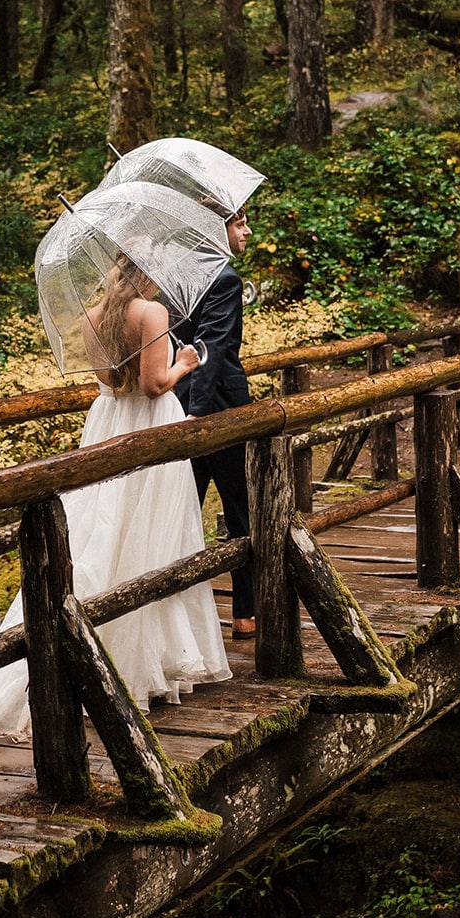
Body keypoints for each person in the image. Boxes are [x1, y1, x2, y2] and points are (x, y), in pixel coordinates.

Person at [0, 259, 232, 761]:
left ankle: (110, 650)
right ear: (147, 274)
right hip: (149, 426)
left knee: (104, 530)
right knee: (150, 537)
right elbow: (154, 386)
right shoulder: (150, 313)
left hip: (107, 422)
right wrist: (187, 364)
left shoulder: (92, 318)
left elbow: (114, 381)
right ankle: (140, 661)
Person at [173, 205, 256, 637]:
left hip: (178, 399)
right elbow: (212, 348)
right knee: (240, 511)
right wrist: (196, 414)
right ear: (215, 229)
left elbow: (179, 345)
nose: (247, 230)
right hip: (218, 408)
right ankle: (245, 614)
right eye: (239, 223)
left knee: (182, 513)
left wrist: (179, 404)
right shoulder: (223, 278)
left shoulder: (177, 275)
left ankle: (182, 620)